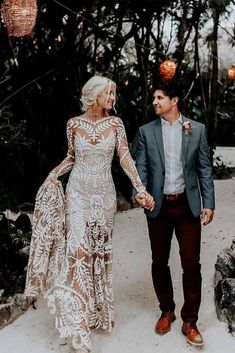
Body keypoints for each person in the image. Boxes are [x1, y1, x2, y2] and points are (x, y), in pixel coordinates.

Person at [24, 75, 154, 353]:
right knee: (77, 253)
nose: (112, 98)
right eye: (108, 93)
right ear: (94, 94)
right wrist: (52, 175)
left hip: (104, 198)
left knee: (98, 254)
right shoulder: (73, 124)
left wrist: (140, 188)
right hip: (78, 194)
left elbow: (124, 158)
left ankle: (94, 312)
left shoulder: (115, 124)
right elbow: (72, 157)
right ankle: (78, 326)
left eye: (114, 94)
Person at [134, 78, 215, 347]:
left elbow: (204, 168)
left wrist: (208, 203)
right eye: (154, 98)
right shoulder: (146, 132)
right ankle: (166, 310)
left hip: (187, 205)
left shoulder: (197, 130)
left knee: (191, 263)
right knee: (160, 261)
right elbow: (141, 168)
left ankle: (189, 320)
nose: (154, 102)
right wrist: (141, 192)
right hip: (158, 206)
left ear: (174, 100)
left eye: (159, 98)